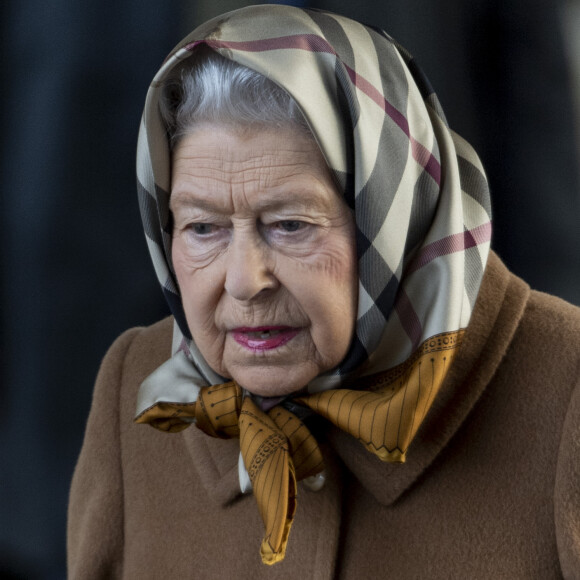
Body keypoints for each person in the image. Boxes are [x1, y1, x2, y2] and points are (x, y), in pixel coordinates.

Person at [67, 5, 580, 578]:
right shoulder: (135, 391)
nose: (243, 281)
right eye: (202, 228)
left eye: (289, 225)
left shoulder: (565, 390)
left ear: (392, 214)